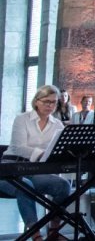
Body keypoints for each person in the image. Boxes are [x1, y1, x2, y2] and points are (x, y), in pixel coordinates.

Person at [1, 85, 72, 239]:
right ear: (36, 101)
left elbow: (56, 150)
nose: (50, 106)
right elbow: (19, 147)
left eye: (54, 103)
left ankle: (54, 229)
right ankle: (35, 233)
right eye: (46, 101)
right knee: (25, 185)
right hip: (10, 169)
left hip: (35, 170)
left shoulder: (57, 125)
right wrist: (43, 154)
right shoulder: (22, 119)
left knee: (63, 186)